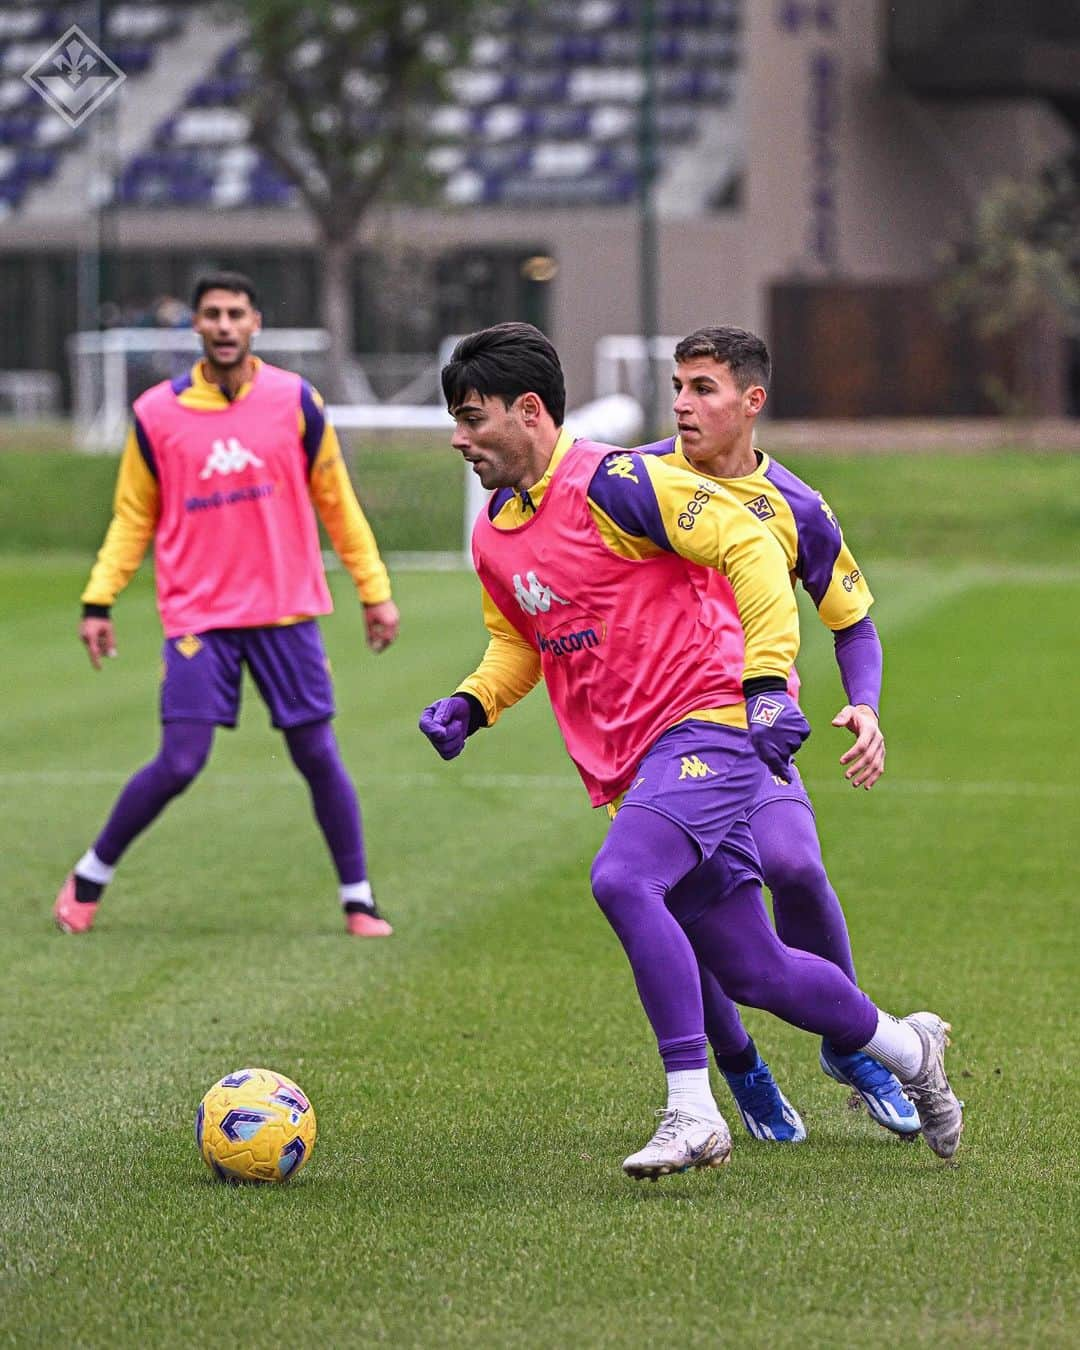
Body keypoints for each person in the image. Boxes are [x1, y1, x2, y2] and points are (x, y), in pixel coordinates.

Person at [418, 321, 963, 1178]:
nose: (459, 438)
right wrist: (472, 701)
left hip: (708, 723)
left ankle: (692, 1109)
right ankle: (905, 1048)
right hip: (635, 759)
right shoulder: (494, 532)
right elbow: (523, 639)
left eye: (472, 418)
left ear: (528, 412)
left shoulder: (618, 482)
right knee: (755, 967)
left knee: (630, 878)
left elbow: (750, 547)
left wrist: (766, 688)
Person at [631, 326, 918, 1142]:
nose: (683, 403)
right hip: (657, 736)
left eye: (703, 388)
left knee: (795, 864)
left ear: (752, 401)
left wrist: (864, 704)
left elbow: (853, 623)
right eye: (677, 386)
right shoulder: (636, 482)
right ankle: (742, 1067)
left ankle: (851, 1041)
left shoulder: (796, 506)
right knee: (691, 905)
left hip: (752, 730)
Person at [54, 271, 399, 939]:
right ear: (196, 325)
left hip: (286, 610)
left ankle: (358, 900)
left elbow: (337, 502)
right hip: (199, 618)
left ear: (255, 322)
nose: (223, 324)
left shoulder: (296, 401)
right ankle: (90, 874)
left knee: (317, 754)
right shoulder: (157, 413)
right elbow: (132, 516)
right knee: (181, 759)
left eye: (235, 312)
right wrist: (99, 599)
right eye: (211, 313)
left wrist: (374, 590)